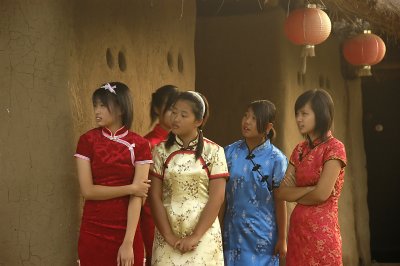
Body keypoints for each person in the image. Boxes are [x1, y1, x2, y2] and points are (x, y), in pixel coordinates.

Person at [74, 82, 152, 266]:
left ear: (120, 109)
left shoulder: (139, 145)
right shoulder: (87, 141)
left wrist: (128, 242)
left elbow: (138, 198)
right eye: (95, 106)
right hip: (92, 230)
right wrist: (131, 188)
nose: (97, 111)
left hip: (128, 231)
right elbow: (88, 191)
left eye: (102, 105)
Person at [149, 91, 229, 265]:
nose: (176, 118)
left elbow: (217, 197)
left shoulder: (214, 152)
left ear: (198, 121)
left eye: (183, 115)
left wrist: (196, 236)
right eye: (174, 112)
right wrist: (169, 236)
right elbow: (154, 196)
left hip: (203, 237)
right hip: (167, 235)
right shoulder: (160, 151)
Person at [275, 89, 347, 266]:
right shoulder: (299, 150)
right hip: (298, 232)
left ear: (321, 114)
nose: (299, 119)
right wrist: (310, 189)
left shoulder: (334, 148)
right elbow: (281, 193)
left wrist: (298, 192)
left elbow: (322, 195)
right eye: (297, 114)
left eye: (304, 114)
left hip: (322, 233)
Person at [221, 100, 288, 265]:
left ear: (267, 127)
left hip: (263, 238)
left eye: (254, 118)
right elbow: (220, 196)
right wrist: (217, 230)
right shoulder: (228, 153)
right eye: (246, 116)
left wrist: (283, 238)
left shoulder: (276, 159)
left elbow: (280, 201)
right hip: (232, 234)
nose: (247, 121)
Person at [141, 85, 180, 265]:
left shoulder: (185, 143)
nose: (175, 115)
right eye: (171, 109)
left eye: (179, 111)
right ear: (157, 109)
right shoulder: (149, 144)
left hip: (182, 216)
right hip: (154, 217)